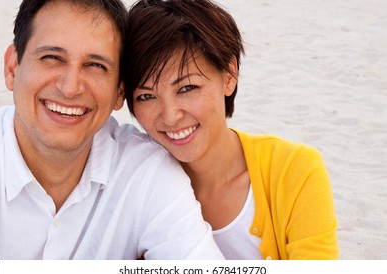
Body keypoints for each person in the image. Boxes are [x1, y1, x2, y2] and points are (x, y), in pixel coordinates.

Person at [0, 0, 224, 260]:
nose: (70, 87)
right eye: (52, 58)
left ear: (119, 92)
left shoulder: (147, 172)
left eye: (95, 65)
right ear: (12, 67)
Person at [124, 0, 339, 260]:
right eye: (146, 96)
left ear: (229, 75)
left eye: (187, 88)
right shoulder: (132, 181)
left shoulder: (293, 169)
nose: (170, 117)